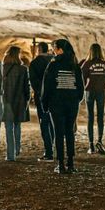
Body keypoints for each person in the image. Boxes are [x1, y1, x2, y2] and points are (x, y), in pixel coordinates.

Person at [41, 39, 85, 174]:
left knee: (58, 133)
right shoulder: (74, 64)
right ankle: (71, 163)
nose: (53, 51)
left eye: (54, 48)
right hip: (71, 103)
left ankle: (60, 164)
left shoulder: (53, 64)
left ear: (59, 49)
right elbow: (80, 86)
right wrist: (77, 99)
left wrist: (45, 103)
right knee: (69, 132)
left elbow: (47, 85)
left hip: (57, 103)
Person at [81, 43, 105, 154]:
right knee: (100, 117)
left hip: (89, 92)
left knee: (90, 118)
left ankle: (91, 145)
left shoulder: (86, 64)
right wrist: (104, 74)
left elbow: (81, 79)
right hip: (101, 91)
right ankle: (99, 141)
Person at [1, 46, 31, 162]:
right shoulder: (23, 69)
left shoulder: (3, 69)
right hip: (19, 101)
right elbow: (26, 88)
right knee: (17, 126)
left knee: (8, 127)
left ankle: (10, 155)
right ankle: (17, 149)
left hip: (6, 100)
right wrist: (27, 100)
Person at [29, 42, 55, 162]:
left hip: (42, 98)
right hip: (55, 96)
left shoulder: (35, 63)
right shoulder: (54, 61)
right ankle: (53, 147)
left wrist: (40, 94)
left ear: (38, 50)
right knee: (53, 122)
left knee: (44, 123)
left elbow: (34, 82)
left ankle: (48, 151)